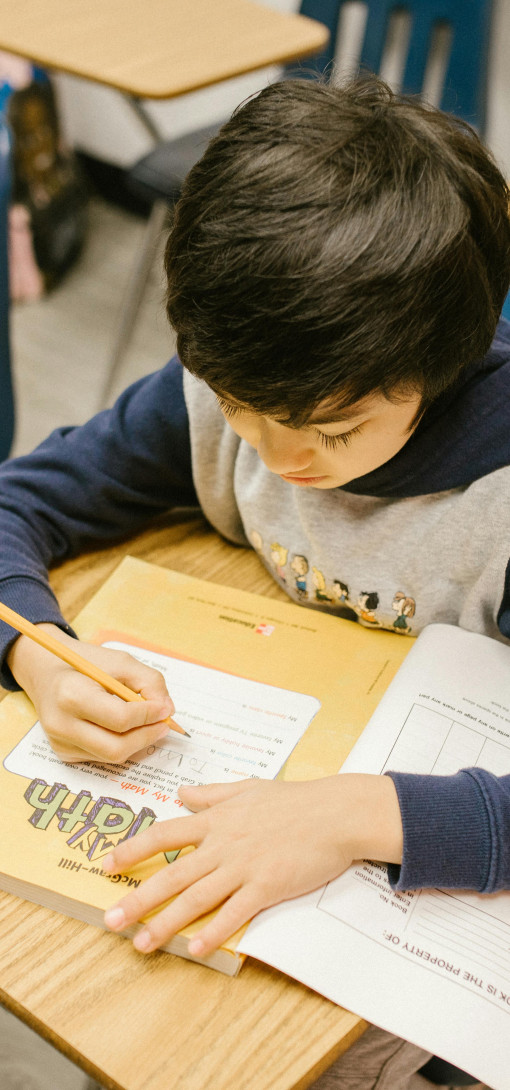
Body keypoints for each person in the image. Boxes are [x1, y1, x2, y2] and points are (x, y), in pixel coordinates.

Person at [0, 76, 509, 1088]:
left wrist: (352, 815)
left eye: (331, 433)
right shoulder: (233, 381)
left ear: (439, 367)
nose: (277, 462)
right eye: (239, 410)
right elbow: (19, 503)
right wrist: (34, 653)